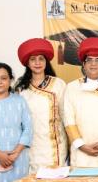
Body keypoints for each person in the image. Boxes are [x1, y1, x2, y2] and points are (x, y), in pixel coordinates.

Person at [63, 38, 98, 167]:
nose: (93, 64)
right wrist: (81, 145)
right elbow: (68, 119)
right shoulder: (72, 87)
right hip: (80, 152)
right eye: (89, 60)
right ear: (83, 64)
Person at [14, 38, 68, 173]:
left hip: (55, 144)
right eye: (33, 59)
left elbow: (66, 114)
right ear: (27, 63)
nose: (37, 63)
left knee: (56, 178)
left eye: (41, 59)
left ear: (46, 62)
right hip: (31, 143)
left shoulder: (58, 84)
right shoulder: (20, 87)